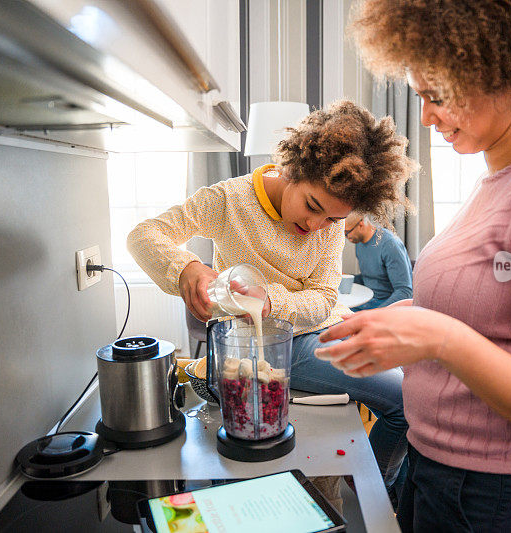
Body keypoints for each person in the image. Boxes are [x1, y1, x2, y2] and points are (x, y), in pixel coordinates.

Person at [314, 2, 511, 531]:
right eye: (421, 96)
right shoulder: (498, 180)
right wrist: (399, 320)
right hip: (442, 472)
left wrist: (439, 338)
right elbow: (483, 314)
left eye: (436, 96)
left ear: (497, 70)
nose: (425, 116)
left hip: (504, 496)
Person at [127, 100, 417, 495]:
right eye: (313, 206)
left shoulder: (328, 225)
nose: (315, 226)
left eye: (332, 220)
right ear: (291, 169)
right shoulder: (230, 201)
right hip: (261, 343)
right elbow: (144, 235)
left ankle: (377, 494)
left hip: (318, 329)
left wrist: (271, 300)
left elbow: (323, 296)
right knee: (404, 401)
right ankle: (374, 495)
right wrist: (186, 268)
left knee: (411, 397)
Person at [344, 213, 413, 311]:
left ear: (361, 224)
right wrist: (343, 278)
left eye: (347, 232)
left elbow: (405, 291)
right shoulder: (359, 243)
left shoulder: (390, 244)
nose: (346, 237)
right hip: (368, 300)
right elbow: (370, 277)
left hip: (386, 303)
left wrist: (376, 313)